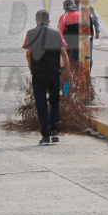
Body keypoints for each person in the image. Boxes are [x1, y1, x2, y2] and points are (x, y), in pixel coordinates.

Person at [23, 10, 70, 146]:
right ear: (49, 21)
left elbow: (28, 54)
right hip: (54, 72)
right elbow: (63, 53)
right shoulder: (56, 32)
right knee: (55, 101)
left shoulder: (30, 33)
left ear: (36, 20)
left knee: (41, 104)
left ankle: (45, 135)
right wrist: (68, 71)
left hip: (38, 73)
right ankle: (55, 132)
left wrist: (32, 69)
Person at [57, 0, 82, 67]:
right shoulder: (80, 15)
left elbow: (60, 32)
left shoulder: (63, 17)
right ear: (74, 6)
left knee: (69, 61)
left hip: (69, 43)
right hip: (81, 41)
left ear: (64, 8)